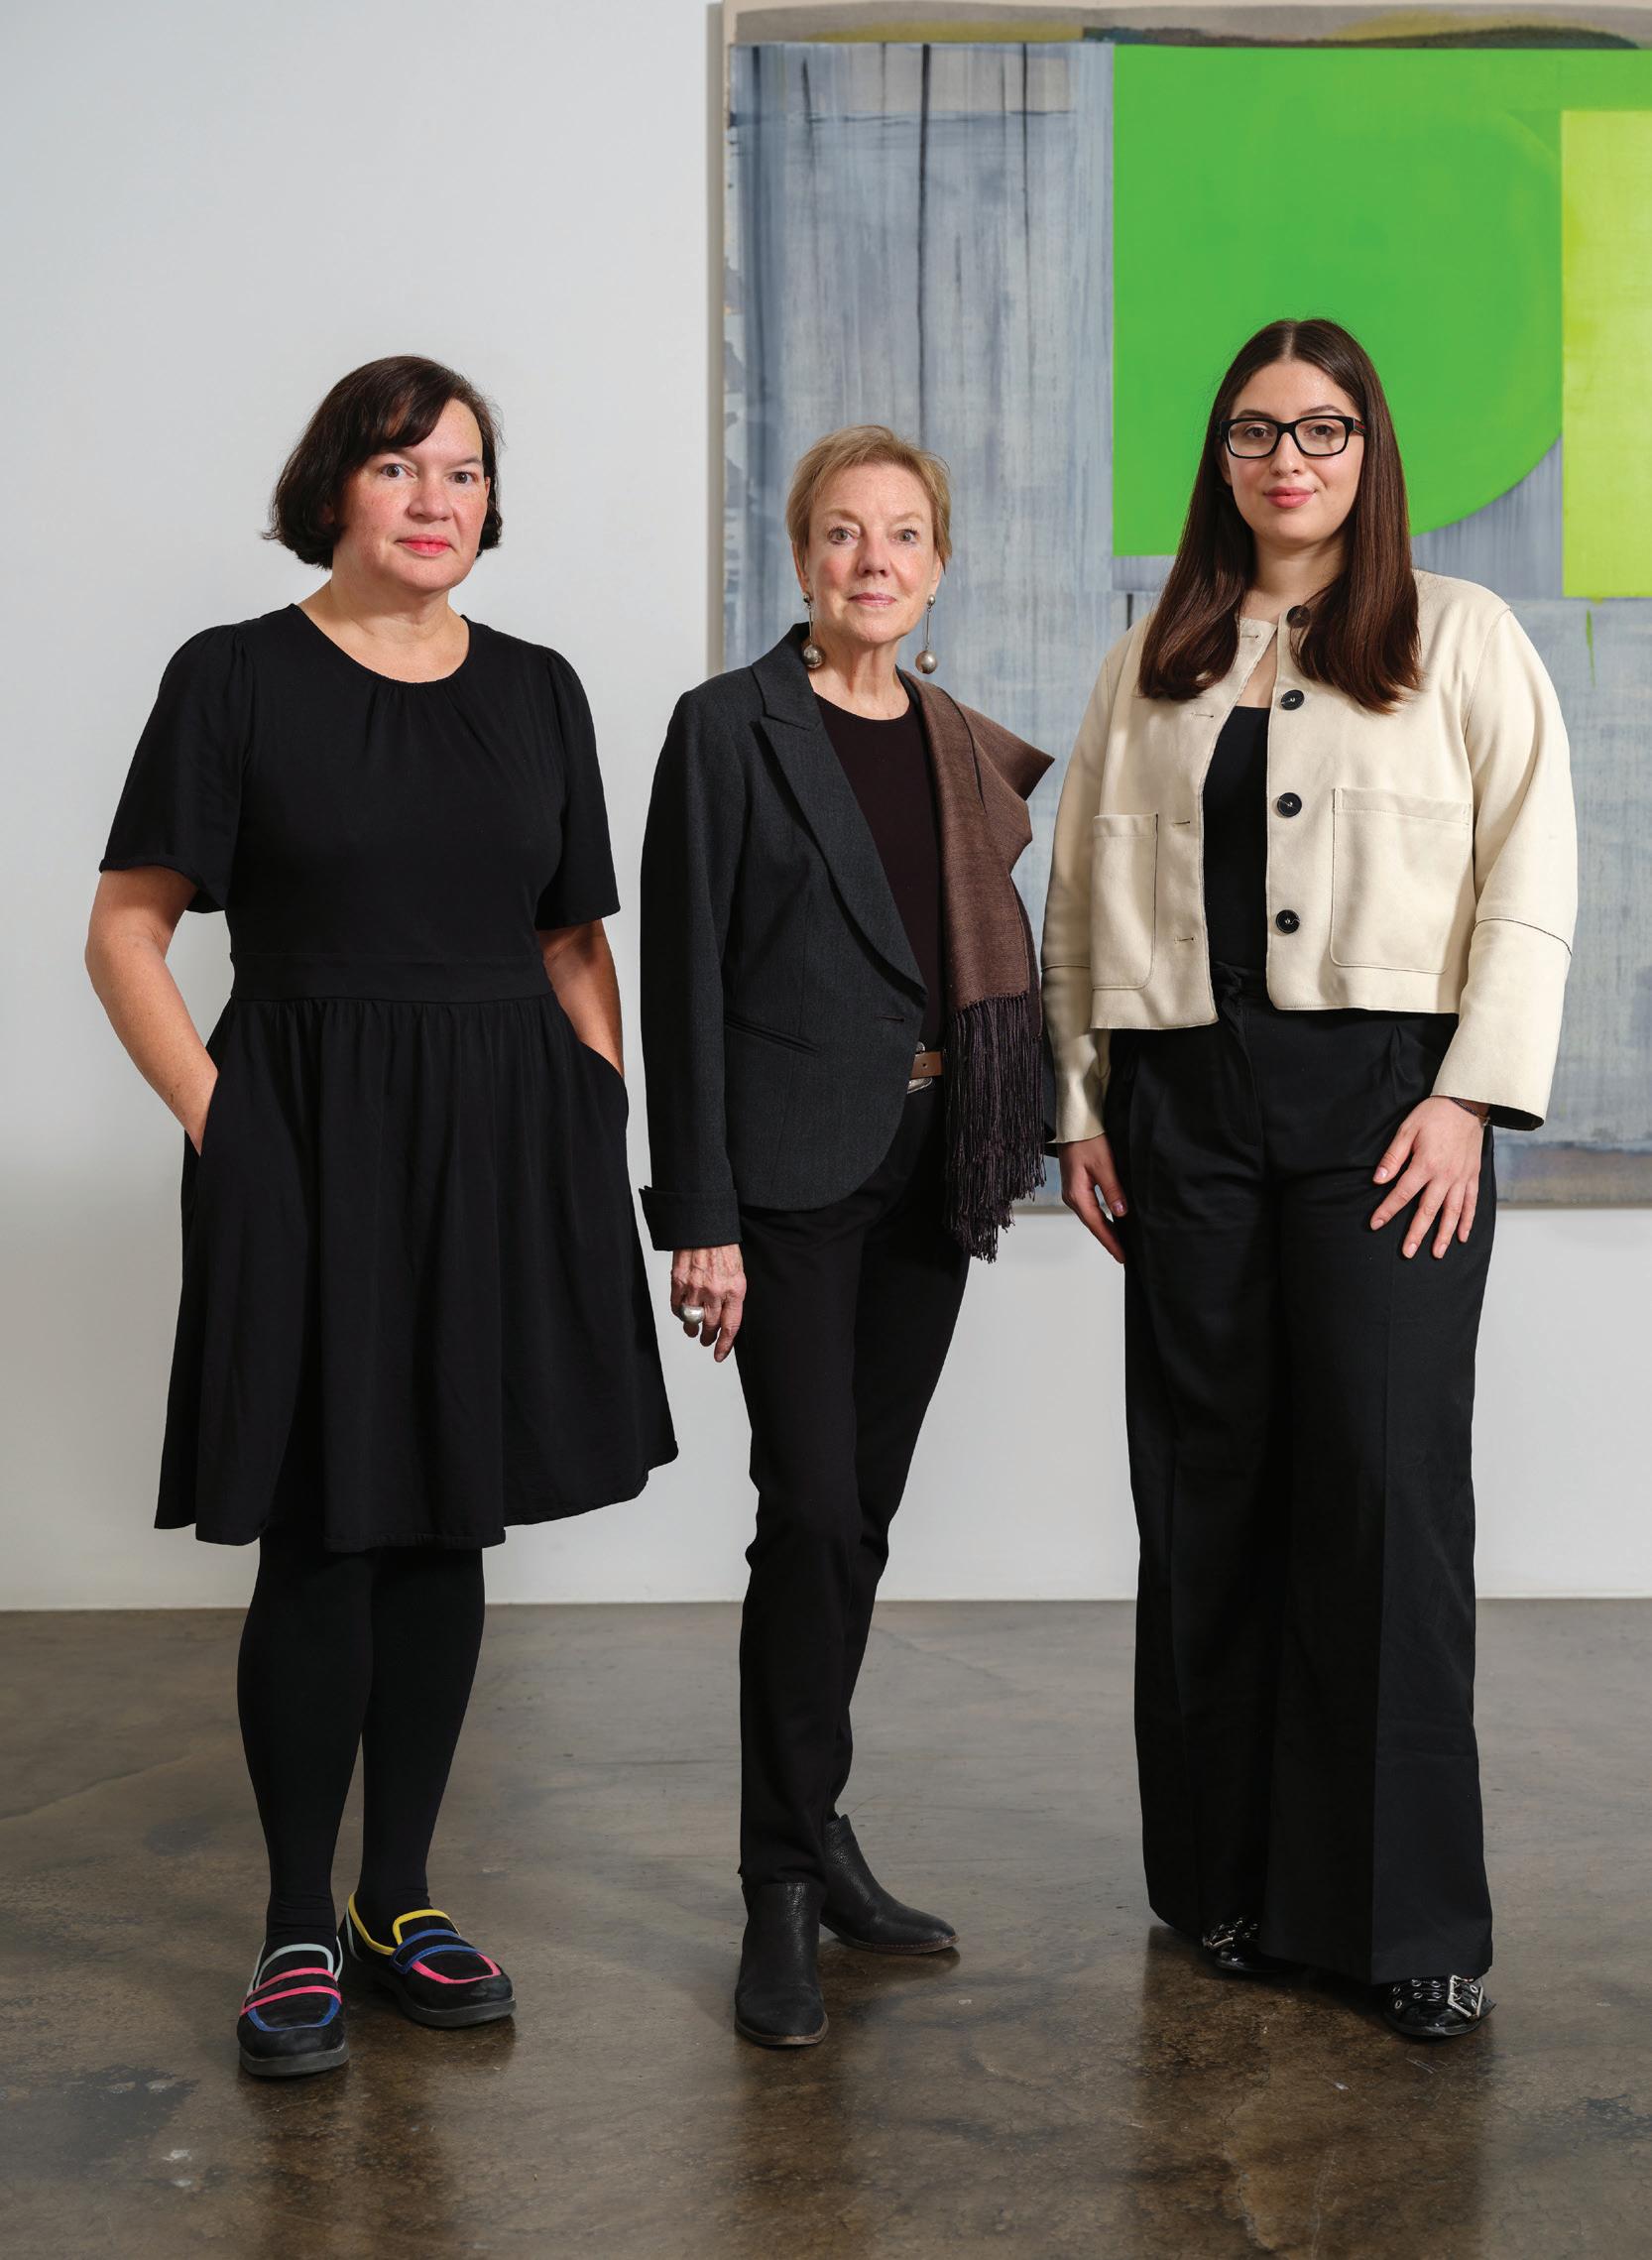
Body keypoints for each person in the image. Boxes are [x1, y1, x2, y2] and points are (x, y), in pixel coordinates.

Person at [86, 355, 675, 2080]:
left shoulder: (540, 689)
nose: (436, 501)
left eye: (465, 472)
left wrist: (594, 1104)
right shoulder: (234, 677)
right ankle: (293, 1919)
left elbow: (571, 940)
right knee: (324, 1529)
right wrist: (226, 1126)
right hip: (308, 1133)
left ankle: (396, 1897)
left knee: (444, 1525)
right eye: (402, 466)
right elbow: (127, 929)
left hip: (505, 1139)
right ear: (333, 487)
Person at [1043, 318, 1576, 2041]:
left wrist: (1467, 1100)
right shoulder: (1151, 657)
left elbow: (1531, 876)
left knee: (1381, 1489)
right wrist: (1078, 1110)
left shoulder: (1457, 634)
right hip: (1182, 1103)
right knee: (1209, 1491)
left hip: (1383, 1105)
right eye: (1258, 431)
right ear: (1219, 456)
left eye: (1323, 428)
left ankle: (1406, 1921)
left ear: (1369, 448)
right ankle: (1225, 1882)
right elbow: (1076, 901)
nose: (1290, 460)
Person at [640, 425, 1050, 2047]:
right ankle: (777, 1889)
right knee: (806, 1512)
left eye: (901, 536)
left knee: (859, 1520)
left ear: (937, 563)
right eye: (840, 532)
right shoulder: (726, 728)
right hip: (788, 1184)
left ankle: (818, 1831)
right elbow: (682, 983)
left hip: (930, 1167)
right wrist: (700, 1218)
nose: (872, 561)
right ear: (800, 554)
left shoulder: (956, 743)